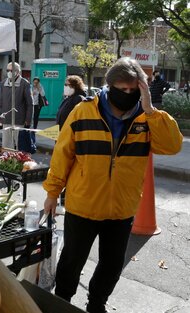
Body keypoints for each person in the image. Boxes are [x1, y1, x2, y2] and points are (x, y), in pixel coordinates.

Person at [42, 57, 183, 313]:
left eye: (133, 89)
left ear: (142, 88)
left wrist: (150, 110)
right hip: (83, 204)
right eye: (122, 89)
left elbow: (172, 145)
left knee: (112, 264)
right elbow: (62, 156)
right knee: (71, 261)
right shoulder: (83, 111)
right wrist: (52, 193)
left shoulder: (146, 118)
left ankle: (97, 303)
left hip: (121, 208)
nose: (127, 94)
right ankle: (62, 301)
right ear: (109, 85)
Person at [0, 62, 35, 154]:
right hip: (6, 121)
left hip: (20, 121)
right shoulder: (3, 83)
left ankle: (20, 164)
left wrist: (28, 120)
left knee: (20, 146)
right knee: (6, 146)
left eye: (12, 70)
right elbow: (1, 103)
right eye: (8, 70)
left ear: (18, 71)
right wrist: (0, 119)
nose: (9, 72)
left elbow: (30, 104)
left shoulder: (24, 84)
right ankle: (7, 164)